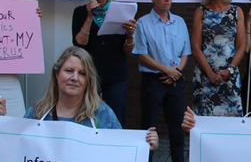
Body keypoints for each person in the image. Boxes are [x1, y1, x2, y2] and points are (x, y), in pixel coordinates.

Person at [19, 46, 157, 150]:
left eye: (82, 73)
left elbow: (121, 149)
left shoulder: (103, 114)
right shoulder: (36, 113)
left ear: (88, 80)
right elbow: (17, 147)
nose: (74, 78)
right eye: (68, 71)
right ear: (57, 74)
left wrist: (144, 143)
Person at [132, 0, 191, 162]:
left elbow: (185, 52)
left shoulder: (180, 22)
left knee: (178, 130)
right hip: (153, 81)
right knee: (149, 130)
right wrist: (166, 70)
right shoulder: (143, 23)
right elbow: (141, 54)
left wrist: (176, 71)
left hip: (175, 80)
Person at [72, 0, 136, 125]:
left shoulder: (120, 11)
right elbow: (79, 42)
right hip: (88, 75)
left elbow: (128, 50)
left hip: (115, 76)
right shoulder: (80, 12)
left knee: (115, 118)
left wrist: (129, 35)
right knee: (87, 117)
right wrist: (89, 16)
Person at [190, 0, 246, 117]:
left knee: (231, 121)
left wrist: (230, 70)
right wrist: (210, 73)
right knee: (204, 120)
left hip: (229, 75)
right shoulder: (200, 12)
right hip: (205, 75)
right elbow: (195, 47)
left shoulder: (236, 11)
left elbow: (242, 46)